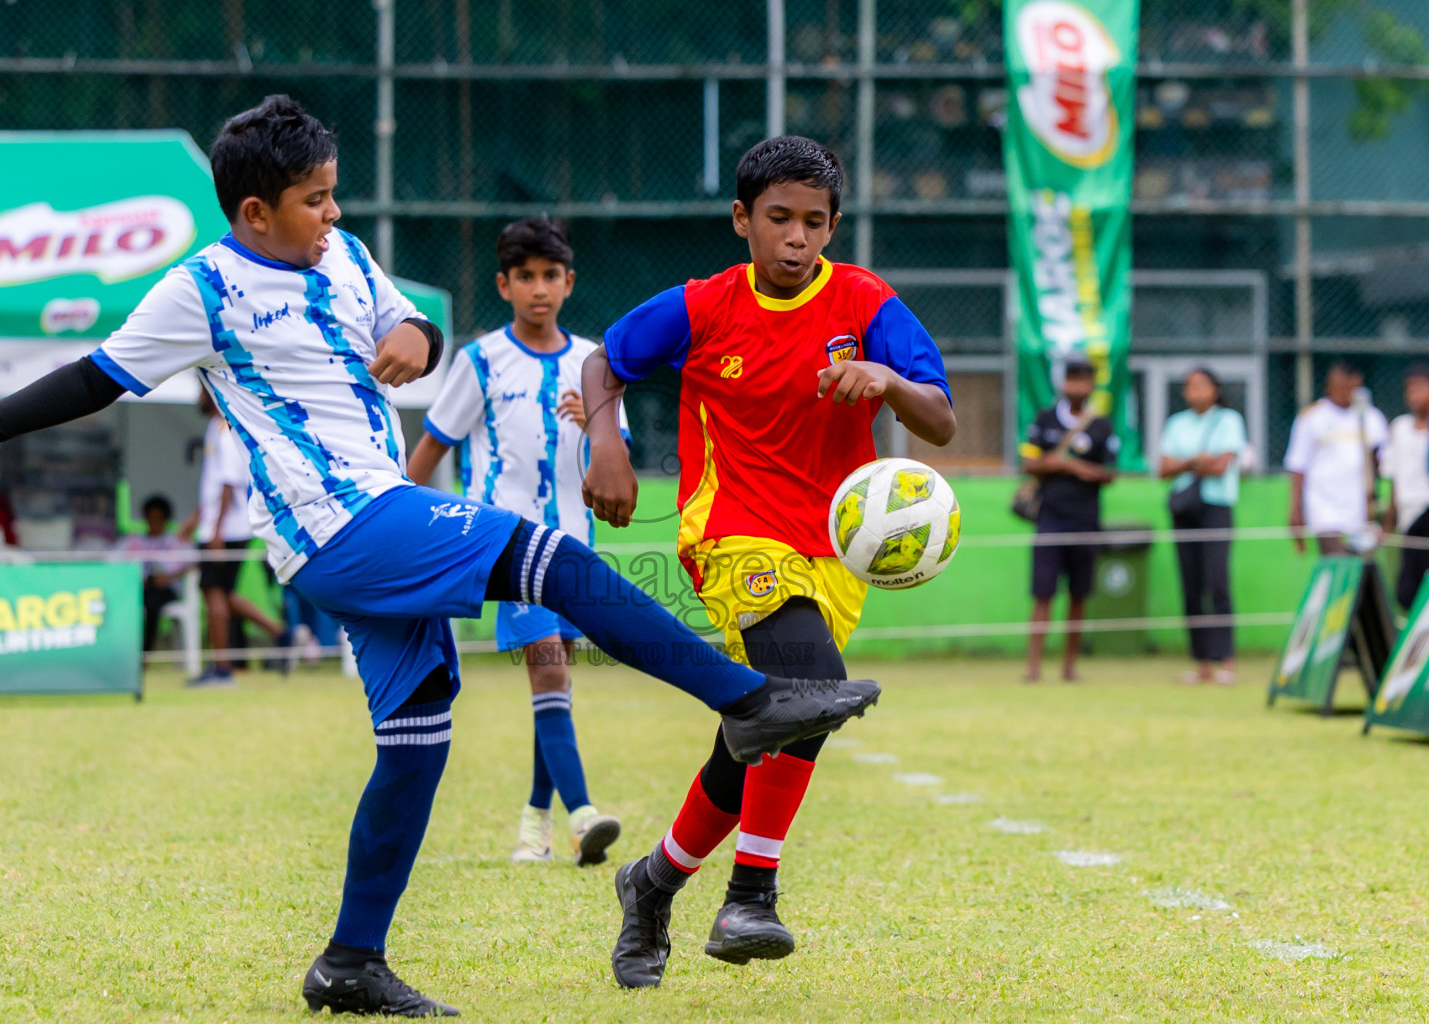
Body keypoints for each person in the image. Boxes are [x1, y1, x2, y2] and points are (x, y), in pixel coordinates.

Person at [0, 95, 880, 1017]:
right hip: (331, 526)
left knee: (417, 737)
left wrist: (415, 333)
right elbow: (95, 374)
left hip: (383, 504)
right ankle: (746, 701)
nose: (333, 212)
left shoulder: (345, 253)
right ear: (254, 211)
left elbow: (407, 320)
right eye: (314, 199)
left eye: (335, 192)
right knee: (543, 554)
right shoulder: (200, 288)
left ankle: (349, 961)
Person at [582, 135, 954, 989]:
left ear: (832, 227)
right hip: (733, 531)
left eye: (815, 223)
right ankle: (751, 895)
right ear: (742, 219)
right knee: (809, 690)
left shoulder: (865, 303)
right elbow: (608, 359)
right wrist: (607, 442)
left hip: (833, 550)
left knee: (767, 722)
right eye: (779, 219)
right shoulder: (702, 306)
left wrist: (886, 382)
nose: (797, 239)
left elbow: (939, 420)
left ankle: (654, 881)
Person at [407, 216, 624, 868]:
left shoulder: (595, 364)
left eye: (550, 275)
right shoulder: (479, 361)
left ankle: (535, 821)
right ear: (504, 284)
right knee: (550, 666)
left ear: (569, 282)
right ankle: (584, 814)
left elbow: (615, 467)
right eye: (524, 276)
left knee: (551, 682)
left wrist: (595, 426)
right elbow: (429, 451)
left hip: (576, 546)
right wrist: (393, 523)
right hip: (505, 546)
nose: (539, 288)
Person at [1019, 356, 1119, 684]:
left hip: (1085, 520)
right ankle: (1033, 668)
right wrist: (1064, 466)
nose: (1077, 386)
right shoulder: (1045, 418)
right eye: (1071, 379)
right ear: (1063, 383)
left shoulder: (1101, 425)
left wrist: (1074, 468)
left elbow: (1109, 474)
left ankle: (1069, 668)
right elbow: (1029, 464)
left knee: (1079, 594)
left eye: (1083, 380)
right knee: (1043, 594)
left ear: (1091, 385)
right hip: (1049, 519)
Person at [179, 389, 286, 686]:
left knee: (213, 595)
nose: (199, 396)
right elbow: (214, 486)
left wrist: (215, 529)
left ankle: (223, 669)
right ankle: (282, 634)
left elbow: (229, 484)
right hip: (223, 526)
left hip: (226, 528)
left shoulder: (227, 430)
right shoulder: (217, 426)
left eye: (202, 390)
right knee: (223, 595)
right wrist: (196, 519)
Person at [1158, 367, 1247, 685]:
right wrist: (1196, 461)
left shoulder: (1229, 420)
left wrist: (1186, 463)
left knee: (1216, 582)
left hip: (1216, 508)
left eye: (1201, 385)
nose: (1195, 391)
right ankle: (1201, 663)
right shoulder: (1176, 423)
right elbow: (1163, 468)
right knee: (1191, 585)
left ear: (1215, 388)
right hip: (1184, 509)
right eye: (1189, 386)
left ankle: (1226, 660)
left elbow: (1222, 466)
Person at [1285, 361, 1389, 555]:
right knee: (1337, 562)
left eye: (1352, 387)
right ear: (1330, 385)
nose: (1346, 392)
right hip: (1324, 508)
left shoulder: (1371, 417)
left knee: (1361, 568)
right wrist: (1295, 511)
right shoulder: (1312, 417)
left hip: (1361, 509)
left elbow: (1382, 464)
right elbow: (1298, 465)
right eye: (1342, 387)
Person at [118, 494, 190, 652]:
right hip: (140, 588)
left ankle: (144, 653)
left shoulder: (175, 541)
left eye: (158, 518)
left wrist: (170, 577)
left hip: (166, 589)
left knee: (151, 603)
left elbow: (194, 562)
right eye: (151, 518)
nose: (154, 522)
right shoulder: (134, 541)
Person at [1384, 365, 1429, 609]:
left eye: (1420, 388)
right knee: (1407, 590)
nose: (1414, 395)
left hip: (1427, 510)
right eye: (1410, 389)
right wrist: (1389, 515)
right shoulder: (1400, 428)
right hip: (1408, 514)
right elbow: (1394, 474)